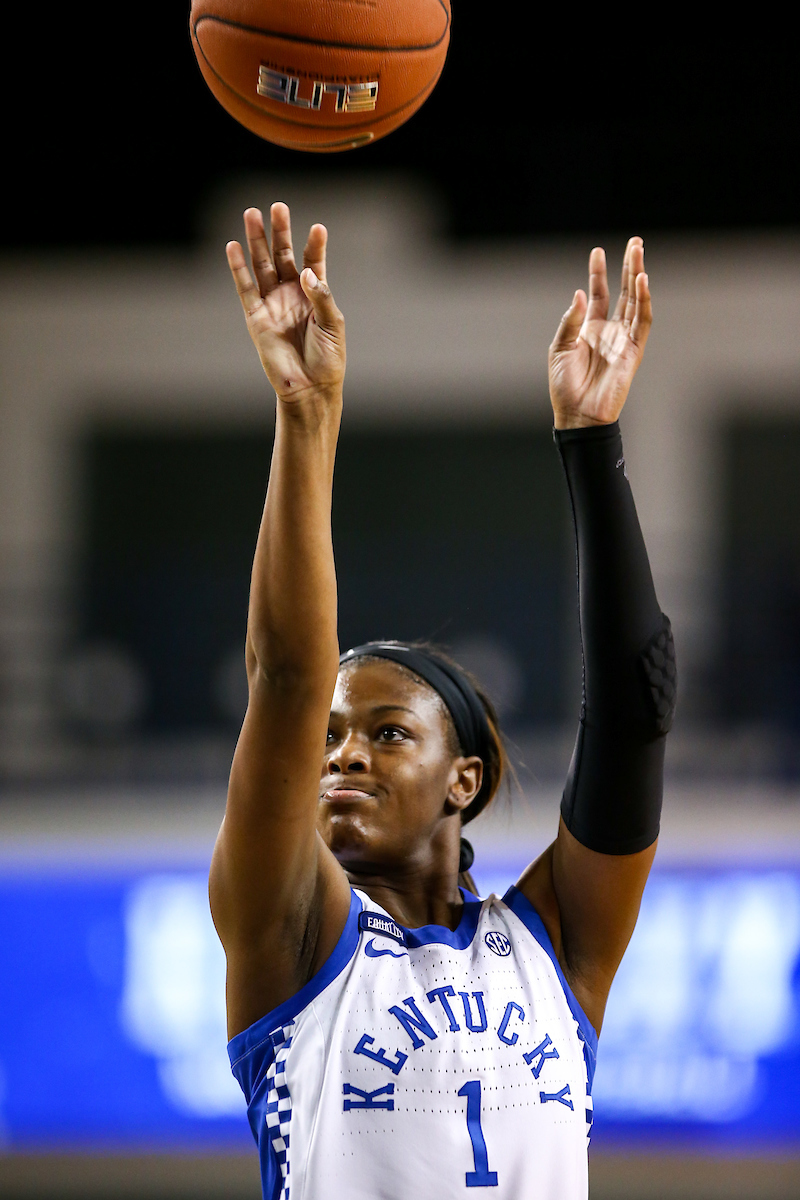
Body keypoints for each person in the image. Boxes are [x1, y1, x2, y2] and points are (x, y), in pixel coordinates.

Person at [211, 203, 675, 1200]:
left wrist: (590, 441)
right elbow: (287, 675)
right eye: (330, 738)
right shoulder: (292, 935)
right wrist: (306, 413)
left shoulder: (556, 944)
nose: (341, 756)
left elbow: (634, 706)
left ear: (461, 779)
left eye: (385, 733)